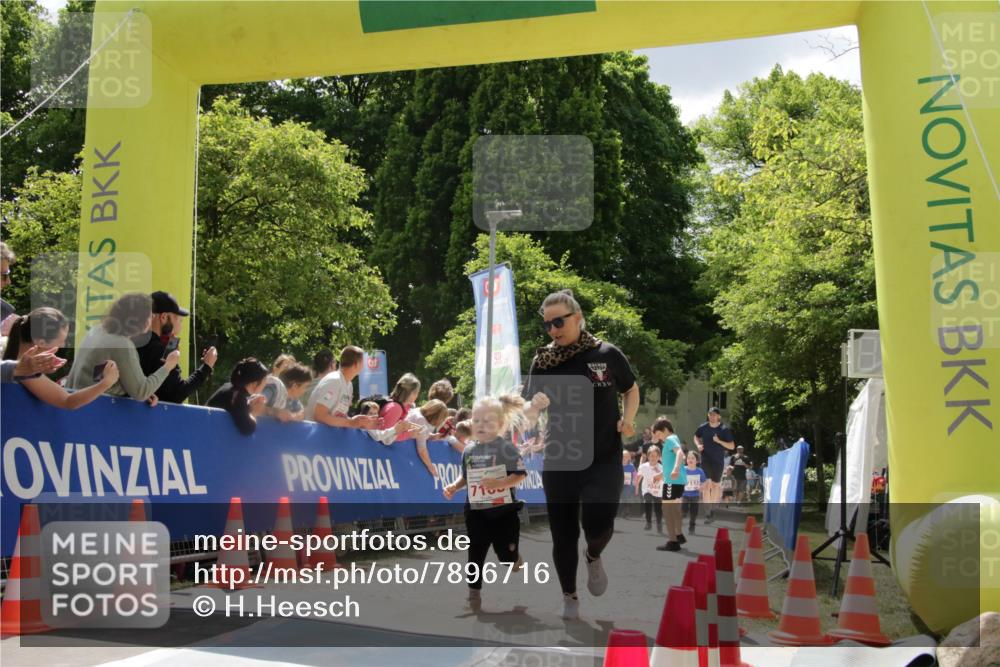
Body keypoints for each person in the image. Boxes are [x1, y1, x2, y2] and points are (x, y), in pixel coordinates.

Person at [521, 289, 639, 620]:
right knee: (563, 532)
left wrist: (628, 420)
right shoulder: (542, 361)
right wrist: (534, 407)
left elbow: (631, 389)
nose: (553, 330)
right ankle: (569, 596)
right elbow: (526, 415)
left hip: (603, 457)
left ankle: (594, 554)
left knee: (599, 522)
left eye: (559, 322)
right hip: (560, 457)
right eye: (547, 325)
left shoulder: (607, 353)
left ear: (578, 318)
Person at [443, 394, 528, 611]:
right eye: (477, 420)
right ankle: (474, 595)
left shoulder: (506, 448)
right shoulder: (469, 450)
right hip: (476, 510)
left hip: (504, 512)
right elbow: (466, 477)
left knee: (505, 557)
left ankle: (513, 557)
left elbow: (520, 474)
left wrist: (499, 483)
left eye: (487, 421)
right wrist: (454, 486)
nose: (481, 425)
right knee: (475, 552)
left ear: (500, 425)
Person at [67, 292, 180, 401]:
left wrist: (132, 390)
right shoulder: (122, 345)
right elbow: (141, 392)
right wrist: (168, 366)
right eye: (149, 314)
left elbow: (94, 375)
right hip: (93, 409)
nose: (152, 316)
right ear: (140, 319)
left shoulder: (97, 330)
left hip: (77, 401)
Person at [2, 308, 120, 409]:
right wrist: (107, 382)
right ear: (41, 342)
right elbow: (68, 401)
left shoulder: (12, 361)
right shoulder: (25, 372)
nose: (63, 345)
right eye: (61, 341)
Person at [134, 291, 217, 403]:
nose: (180, 326)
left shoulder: (132, 342)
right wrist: (206, 367)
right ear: (163, 317)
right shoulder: (159, 350)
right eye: (178, 319)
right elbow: (177, 394)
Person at [305, 346, 377, 429]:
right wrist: (350, 422)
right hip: (315, 436)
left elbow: (338, 417)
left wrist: (360, 422)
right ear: (356, 364)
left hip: (328, 436)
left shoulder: (348, 384)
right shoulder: (334, 381)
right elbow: (320, 416)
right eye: (363, 361)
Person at [693, 407, 735, 523]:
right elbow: (696, 436)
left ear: (719, 417)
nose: (712, 416)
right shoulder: (703, 427)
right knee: (707, 485)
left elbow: (732, 446)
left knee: (715, 486)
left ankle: (713, 509)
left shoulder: (724, 429)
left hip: (718, 461)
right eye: (710, 414)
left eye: (714, 415)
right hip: (706, 459)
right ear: (708, 415)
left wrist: (719, 441)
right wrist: (698, 445)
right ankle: (708, 513)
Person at [207, 358, 269, 435]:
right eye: (264, 383)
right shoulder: (238, 396)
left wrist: (250, 402)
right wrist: (254, 413)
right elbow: (247, 428)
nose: (265, 386)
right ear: (254, 384)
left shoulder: (231, 388)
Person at [654, 418, 687, 552]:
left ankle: (673, 542)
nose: (659, 438)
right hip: (677, 481)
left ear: (665, 430)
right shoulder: (674, 438)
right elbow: (669, 463)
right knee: (674, 509)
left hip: (672, 482)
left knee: (666, 509)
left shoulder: (670, 439)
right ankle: (678, 535)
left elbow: (680, 453)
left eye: (659, 434)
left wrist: (676, 469)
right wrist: (661, 475)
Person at [402, 399, 450, 479]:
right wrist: (432, 469)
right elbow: (422, 450)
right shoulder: (421, 420)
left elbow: (421, 434)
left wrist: (432, 436)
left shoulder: (418, 411)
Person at [379, 372, 421, 440]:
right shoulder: (396, 408)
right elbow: (385, 437)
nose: (417, 396)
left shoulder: (403, 407)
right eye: (415, 392)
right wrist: (410, 434)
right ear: (408, 392)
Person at [635, 445, 663, 533]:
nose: (653, 458)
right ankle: (648, 522)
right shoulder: (643, 467)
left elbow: (666, 479)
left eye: (655, 456)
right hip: (647, 490)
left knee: (658, 509)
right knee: (648, 501)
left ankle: (659, 523)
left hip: (658, 491)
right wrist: (636, 487)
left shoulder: (662, 468)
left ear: (659, 457)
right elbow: (638, 477)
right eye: (651, 456)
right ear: (648, 456)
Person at [682, 450, 706, 534]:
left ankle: (691, 527)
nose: (690, 460)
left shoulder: (700, 471)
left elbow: (703, 482)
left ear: (697, 460)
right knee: (683, 511)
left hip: (695, 495)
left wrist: (701, 487)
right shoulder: (683, 470)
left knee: (694, 513)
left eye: (692, 458)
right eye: (688, 458)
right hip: (684, 495)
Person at [619, 449, 637, 519]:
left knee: (626, 497)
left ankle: (626, 512)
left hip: (629, 486)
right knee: (622, 497)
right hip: (620, 484)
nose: (625, 458)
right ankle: (622, 511)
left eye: (626, 456)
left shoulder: (631, 466)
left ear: (629, 458)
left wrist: (634, 482)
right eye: (623, 456)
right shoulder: (618, 465)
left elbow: (635, 474)